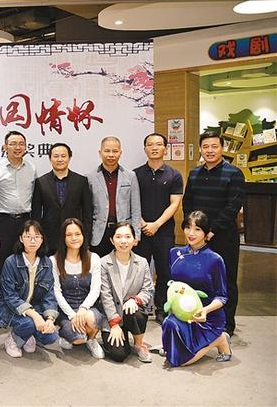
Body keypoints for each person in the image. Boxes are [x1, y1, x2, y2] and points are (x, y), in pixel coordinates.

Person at [182, 131, 245, 337]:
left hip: (224, 238)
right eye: (206, 147)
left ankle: (226, 326)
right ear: (201, 148)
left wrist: (212, 230)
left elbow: (233, 206)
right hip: (198, 239)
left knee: (225, 280)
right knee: (199, 279)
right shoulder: (194, 173)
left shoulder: (234, 173)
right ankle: (201, 319)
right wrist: (192, 229)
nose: (209, 150)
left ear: (222, 148)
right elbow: (188, 202)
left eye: (214, 146)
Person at [161, 210, 232, 366]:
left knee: (180, 362)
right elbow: (173, 285)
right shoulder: (174, 253)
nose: (191, 233)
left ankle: (219, 339)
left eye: (197, 229)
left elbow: (222, 296)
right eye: (188, 227)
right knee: (169, 324)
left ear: (206, 232)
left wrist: (205, 310)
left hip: (207, 316)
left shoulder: (215, 259)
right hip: (181, 312)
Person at [133, 133, 183, 323]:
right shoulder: (135, 174)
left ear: (165, 148)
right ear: (145, 148)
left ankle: (162, 308)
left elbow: (174, 203)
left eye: (159, 144)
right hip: (140, 231)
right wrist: (142, 223)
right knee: (140, 271)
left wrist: (156, 224)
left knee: (164, 271)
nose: (154, 148)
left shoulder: (174, 175)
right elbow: (131, 202)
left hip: (164, 232)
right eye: (150, 144)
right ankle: (140, 307)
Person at [0, 220, 59, 358]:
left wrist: (49, 319)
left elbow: (49, 294)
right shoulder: (11, 261)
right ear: (21, 239)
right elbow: (10, 296)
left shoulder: (47, 262)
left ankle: (27, 335)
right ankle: (13, 340)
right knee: (29, 323)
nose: (32, 241)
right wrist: (35, 316)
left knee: (51, 336)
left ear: (42, 240)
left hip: (35, 307)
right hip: (9, 308)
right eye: (28, 236)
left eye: (37, 237)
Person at [99, 222, 154, 363]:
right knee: (119, 354)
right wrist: (114, 324)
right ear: (112, 240)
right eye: (118, 237)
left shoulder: (142, 262)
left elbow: (147, 289)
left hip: (132, 312)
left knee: (136, 312)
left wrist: (135, 300)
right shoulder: (104, 263)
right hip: (112, 315)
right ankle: (120, 336)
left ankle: (138, 344)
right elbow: (105, 295)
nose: (123, 241)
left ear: (134, 240)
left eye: (128, 237)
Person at [50, 218, 105, 359]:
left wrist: (83, 308)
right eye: (69, 235)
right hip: (65, 310)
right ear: (63, 238)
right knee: (78, 339)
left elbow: (95, 289)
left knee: (90, 318)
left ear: (83, 236)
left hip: (87, 308)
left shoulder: (94, 258)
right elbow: (56, 292)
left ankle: (91, 340)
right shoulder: (54, 260)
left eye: (77, 234)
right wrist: (72, 315)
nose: (74, 238)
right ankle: (66, 335)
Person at [0, 131, 37, 295]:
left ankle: (22, 299)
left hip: (25, 221)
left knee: (23, 261)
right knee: (2, 262)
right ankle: (1, 301)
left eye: (21, 144)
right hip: (2, 221)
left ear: (25, 147)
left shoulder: (31, 168)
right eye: (13, 144)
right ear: (5, 147)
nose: (17, 147)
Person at [31, 142, 92, 255]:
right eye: (56, 156)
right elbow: (36, 213)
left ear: (69, 158)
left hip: (74, 237)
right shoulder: (41, 182)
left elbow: (87, 212)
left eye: (63, 156)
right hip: (49, 238)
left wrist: (86, 237)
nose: (60, 159)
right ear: (50, 158)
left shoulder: (81, 181)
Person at [87, 136, 141, 257]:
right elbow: (87, 210)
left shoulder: (130, 176)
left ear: (120, 153)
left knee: (123, 265)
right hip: (99, 232)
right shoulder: (90, 177)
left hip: (123, 231)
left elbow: (136, 208)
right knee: (99, 265)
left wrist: (136, 234)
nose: (111, 155)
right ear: (100, 153)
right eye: (107, 151)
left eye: (115, 151)